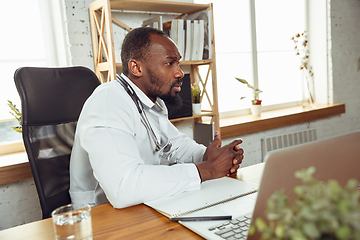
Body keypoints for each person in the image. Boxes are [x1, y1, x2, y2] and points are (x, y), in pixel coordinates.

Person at [69, 27, 244, 209]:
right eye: (169, 63)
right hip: (99, 216)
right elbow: (124, 187)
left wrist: (207, 155)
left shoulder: (149, 102)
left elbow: (175, 144)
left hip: (143, 204)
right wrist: (205, 170)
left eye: (178, 63)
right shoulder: (108, 102)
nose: (179, 73)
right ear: (136, 67)